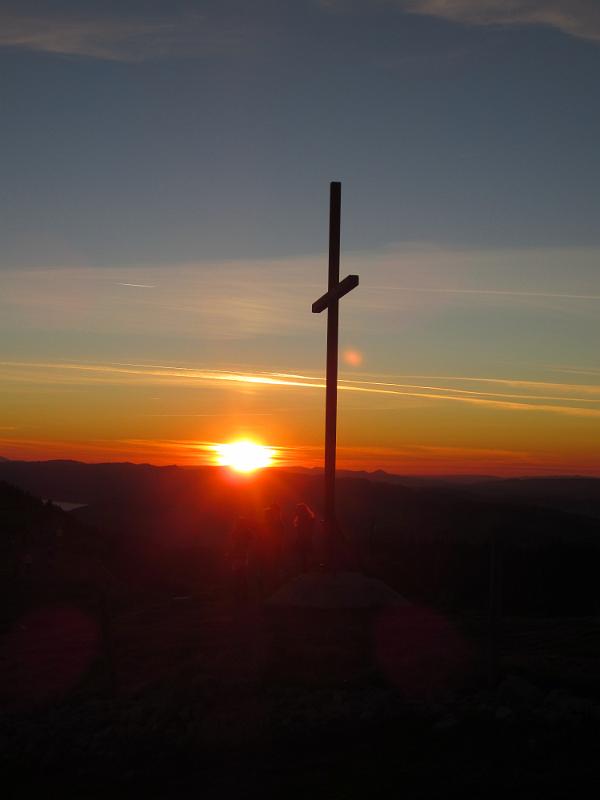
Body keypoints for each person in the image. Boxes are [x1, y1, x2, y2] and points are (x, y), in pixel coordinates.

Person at [227, 515, 254, 605]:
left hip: (241, 556)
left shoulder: (241, 533)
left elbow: (234, 545)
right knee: (241, 576)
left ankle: (240, 595)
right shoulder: (246, 533)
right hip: (241, 556)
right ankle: (242, 595)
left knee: (239, 576)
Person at [292, 503, 315, 573]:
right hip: (304, 539)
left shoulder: (302, 519)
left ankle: (305, 570)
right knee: (305, 555)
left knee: (303, 555)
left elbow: (304, 530)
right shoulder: (308, 518)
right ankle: (306, 569)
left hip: (303, 539)